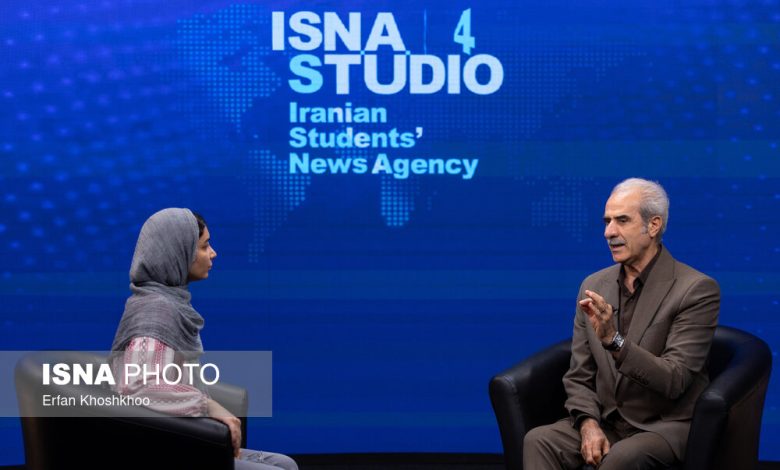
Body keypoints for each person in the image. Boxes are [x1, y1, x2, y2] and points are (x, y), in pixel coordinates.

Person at [523, 178, 720, 469]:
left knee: (623, 457)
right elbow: (579, 375)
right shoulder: (593, 285)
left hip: (660, 426)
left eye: (622, 220)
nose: (609, 232)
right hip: (607, 420)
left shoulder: (695, 289)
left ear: (653, 226)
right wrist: (588, 423)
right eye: (607, 221)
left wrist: (614, 341)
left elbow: (674, 380)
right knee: (539, 440)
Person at [111, 208, 298, 470]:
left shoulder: (168, 301)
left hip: (185, 437)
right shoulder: (155, 309)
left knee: (285, 464)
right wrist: (207, 406)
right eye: (204, 246)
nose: (213, 253)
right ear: (177, 252)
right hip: (165, 448)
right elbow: (138, 386)